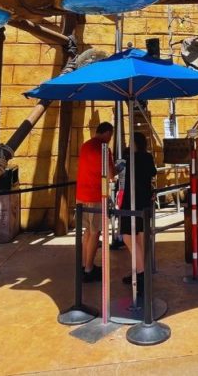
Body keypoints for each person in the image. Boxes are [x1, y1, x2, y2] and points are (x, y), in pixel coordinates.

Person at [120, 132, 158, 297]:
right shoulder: (147, 157)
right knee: (142, 236)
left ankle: (141, 274)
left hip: (131, 201)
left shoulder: (129, 159)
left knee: (128, 237)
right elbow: (153, 173)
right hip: (144, 201)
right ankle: (141, 270)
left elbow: (122, 177)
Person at [76, 121, 114, 283]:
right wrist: (118, 167)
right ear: (106, 133)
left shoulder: (85, 145)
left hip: (81, 195)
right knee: (95, 232)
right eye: (110, 136)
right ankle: (89, 269)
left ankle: (84, 264)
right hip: (95, 195)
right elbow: (111, 175)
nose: (110, 139)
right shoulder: (104, 149)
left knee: (86, 231)